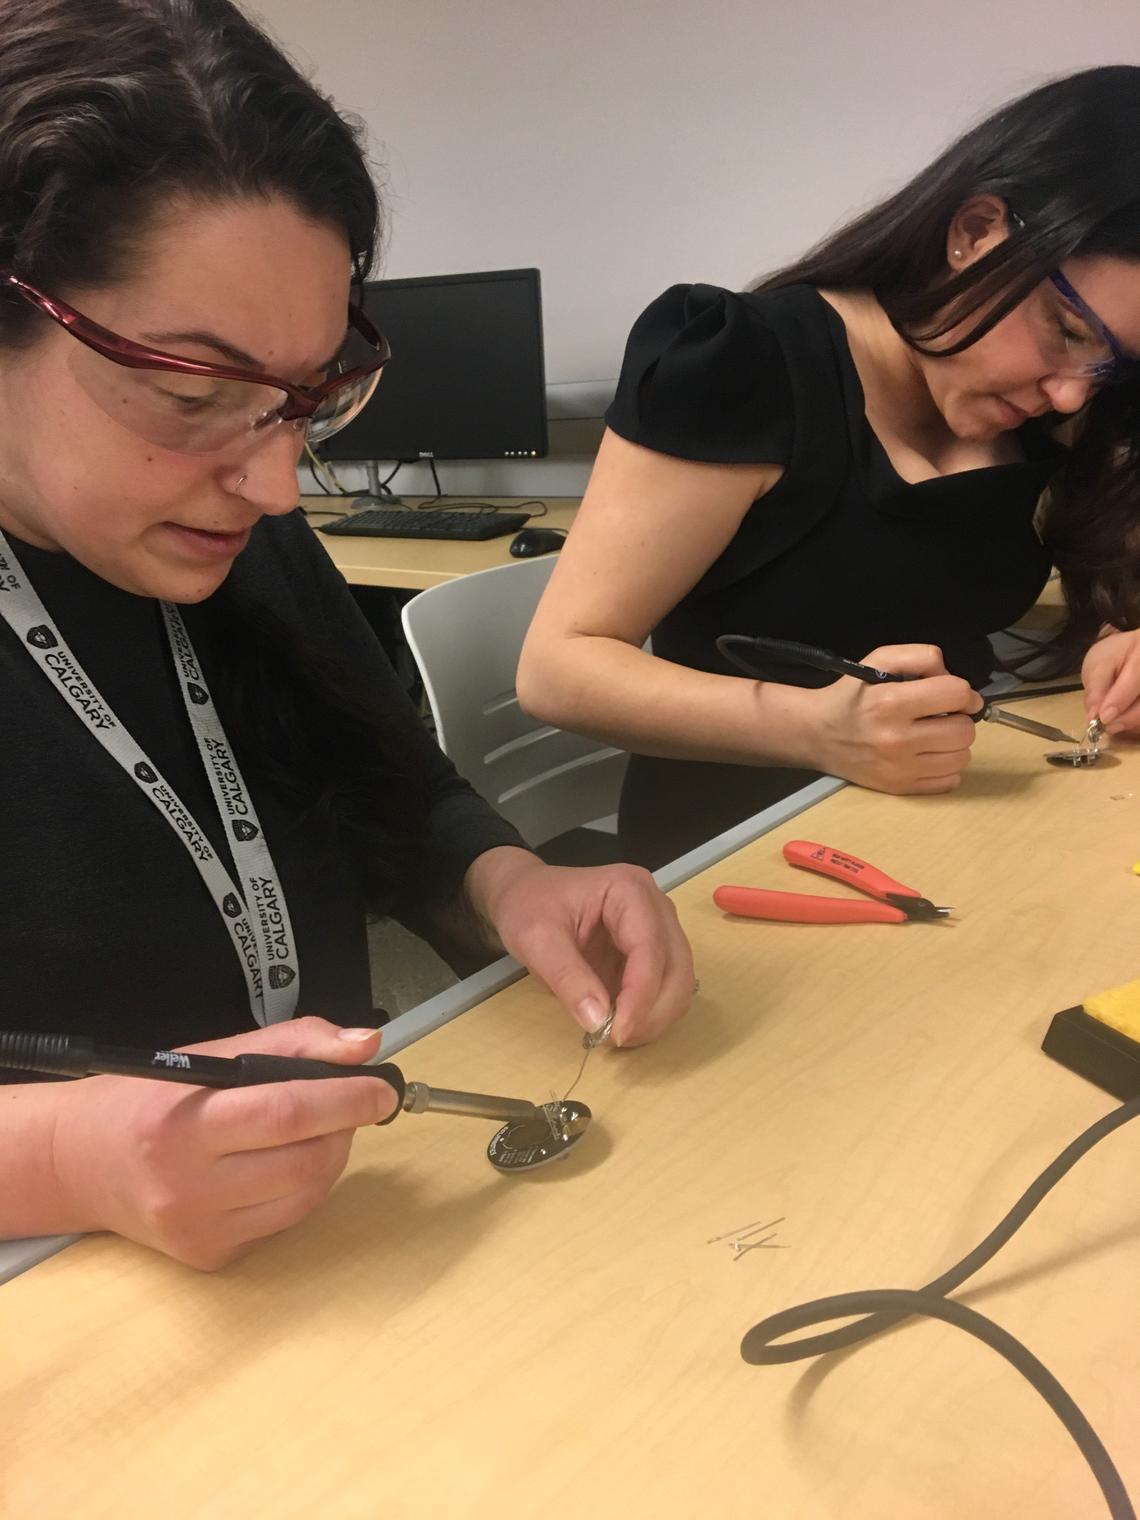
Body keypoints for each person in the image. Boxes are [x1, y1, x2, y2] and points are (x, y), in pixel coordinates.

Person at [0, 0, 694, 1270]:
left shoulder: (239, 530)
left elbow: (384, 780)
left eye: (306, 399)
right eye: (195, 396)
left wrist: (508, 880)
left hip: (330, 1226)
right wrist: (59, 1156)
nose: (275, 488)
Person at [518, 67, 1140, 871]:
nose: (1067, 392)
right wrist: (816, 729)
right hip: (735, 850)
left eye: (1115, 367)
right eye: (1065, 330)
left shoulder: (1065, 410)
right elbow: (557, 668)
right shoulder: (746, 362)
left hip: (956, 826)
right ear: (977, 232)